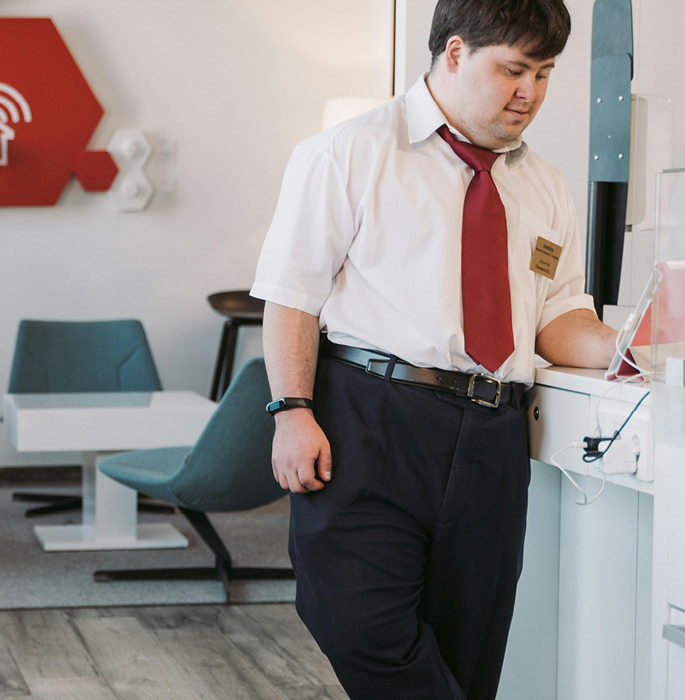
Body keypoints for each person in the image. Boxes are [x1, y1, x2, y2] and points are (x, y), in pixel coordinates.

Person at [251, 1, 616, 698]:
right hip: (370, 420)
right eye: (512, 70)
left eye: (543, 74)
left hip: (494, 438)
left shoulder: (543, 184)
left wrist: (638, 344)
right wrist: (290, 411)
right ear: (453, 53)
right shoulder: (348, 152)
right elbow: (290, 295)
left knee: (469, 651)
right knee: (359, 624)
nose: (529, 93)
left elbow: (559, 319)